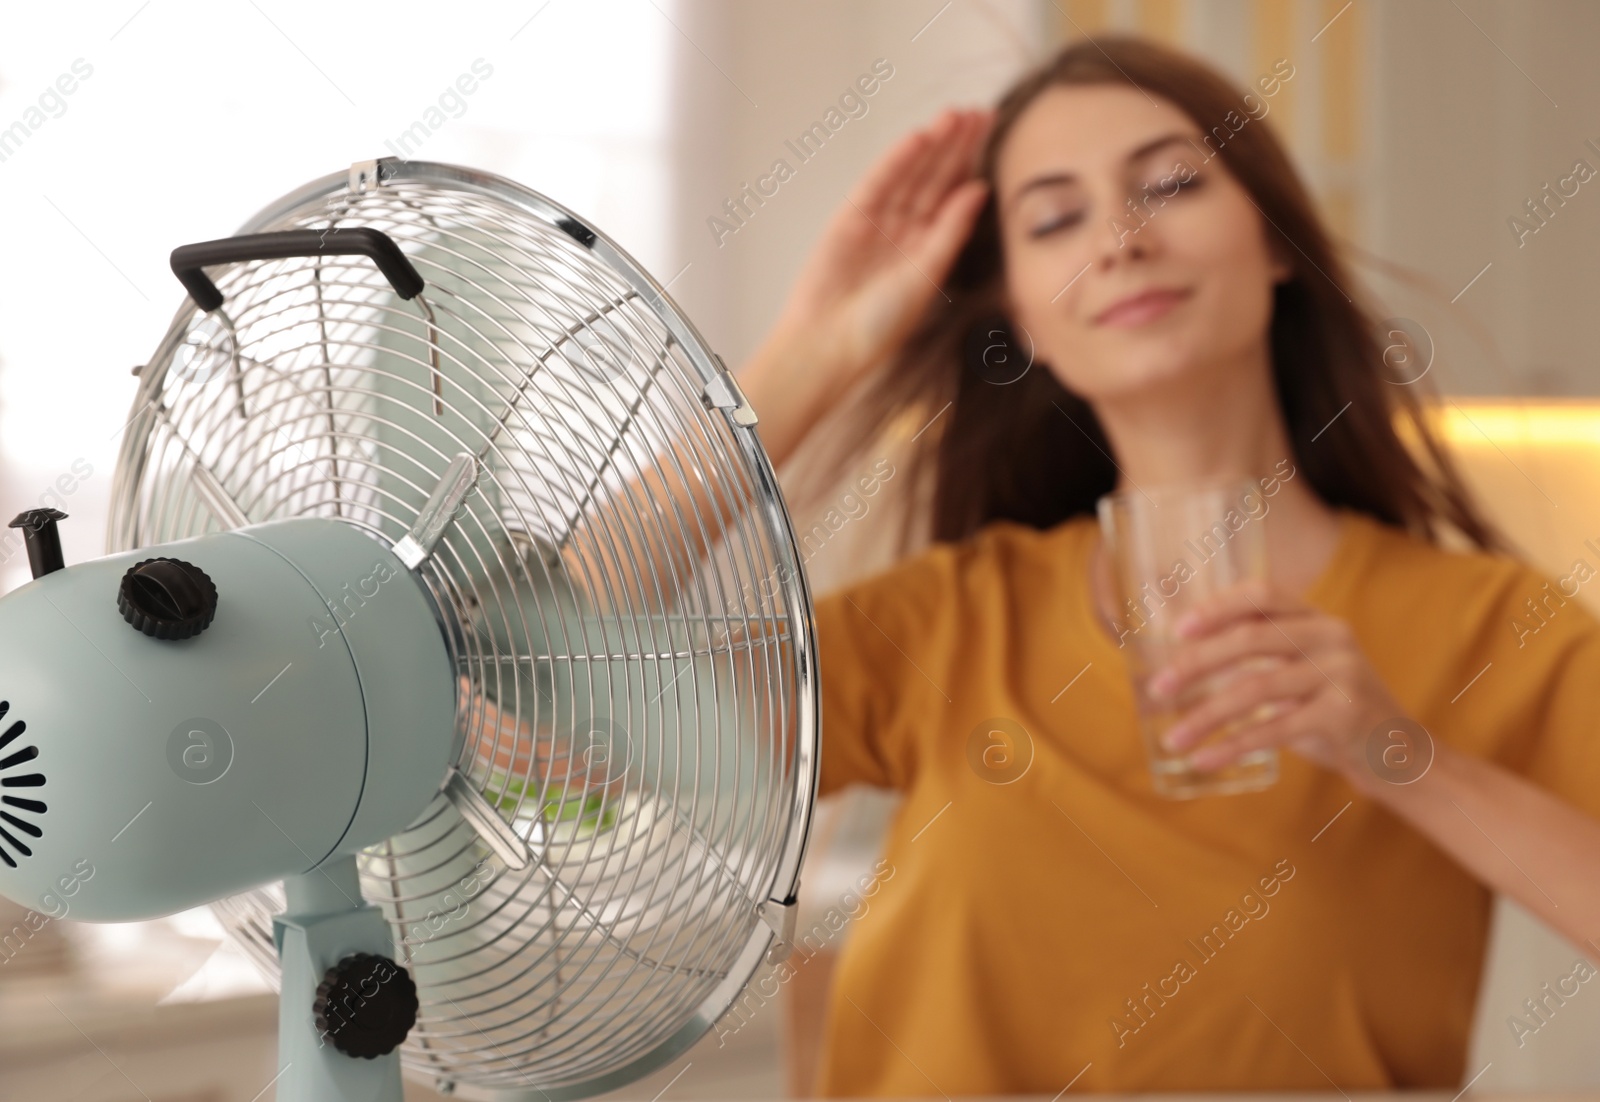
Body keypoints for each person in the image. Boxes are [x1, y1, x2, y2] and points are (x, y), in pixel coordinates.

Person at [579, 34, 1600, 1095]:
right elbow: (544, 714)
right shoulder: (955, 619)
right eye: (1055, 217)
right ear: (1023, 312)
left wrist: (1399, 755)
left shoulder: (1488, 626)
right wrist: (812, 353)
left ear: (1275, 242)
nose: (1120, 238)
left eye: (1169, 184)